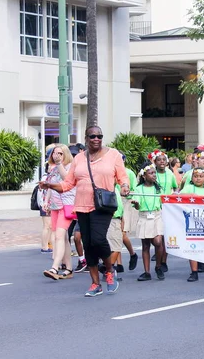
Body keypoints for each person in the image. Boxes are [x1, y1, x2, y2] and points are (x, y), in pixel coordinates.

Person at [40, 126, 130, 297]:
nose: (96, 139)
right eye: (93, 136)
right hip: (81, 207)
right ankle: (95, 283)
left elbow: (122, 177)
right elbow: (67, 184)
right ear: (86, 138)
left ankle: (109, 271)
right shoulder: (79, 158)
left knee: (98, 239)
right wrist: (49, 185)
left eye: (99, 136)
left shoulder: (113, 155)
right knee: (87, 245)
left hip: (102, 206)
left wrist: (125, 186)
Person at [42, 144, 76, 280]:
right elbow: (51, 186)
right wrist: (46, 201)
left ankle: (55, 267)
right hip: (56, 206)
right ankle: (68, 268)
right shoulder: (54, 168)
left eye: (60, 153)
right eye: (55, 153)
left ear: (65, 154)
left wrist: (59, 163)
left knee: (59, 236)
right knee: (63, 237)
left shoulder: (69, 167)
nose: (57, 156)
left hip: (67, 205)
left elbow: (67, 179)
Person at [178, 168, 204, 281]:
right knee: (192, 247)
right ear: (192, 178)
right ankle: (194, 272)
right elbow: (176, 197)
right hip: (191, 222)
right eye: (196, 176)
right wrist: (189, 195)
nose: (198, 178)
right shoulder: (188, 188)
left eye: (201, 176)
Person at [132, 163, 165, 281]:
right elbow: (137, 204)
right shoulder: (138, 189)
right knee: (145, 245)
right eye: (151, 173)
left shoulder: (158, 188)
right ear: (144, 176)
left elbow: (164, 202)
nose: (154, 175)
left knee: (158, 241)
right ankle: (147, 272)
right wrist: (136, 204)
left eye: (154, 173)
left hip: (156, 216)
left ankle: (158, 266)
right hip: (144, 216)